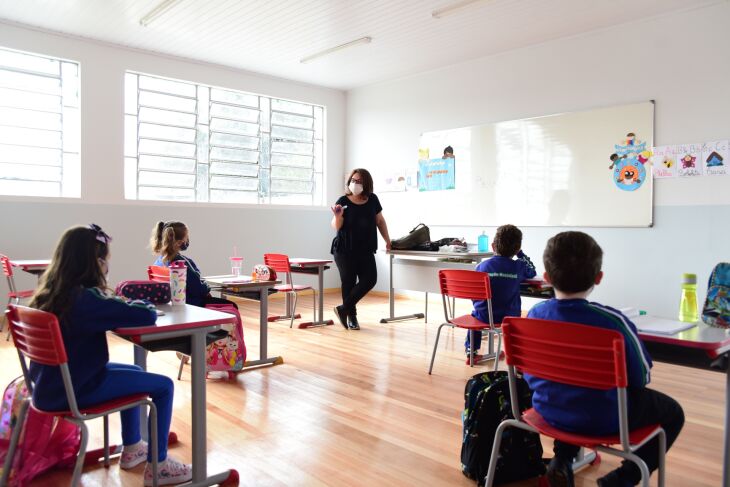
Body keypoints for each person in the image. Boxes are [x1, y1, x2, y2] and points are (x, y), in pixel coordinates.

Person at [28, 224, 192, 486]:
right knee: (164, 386)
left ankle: (133, 448)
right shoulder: (86, 300)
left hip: (48, 386)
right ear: (95, 262)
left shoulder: (48, 295)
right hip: (75, 390)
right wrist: (128, 299)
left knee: (138, 373)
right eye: (105, 260)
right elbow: (145, 314)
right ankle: (159, 465)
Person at [526, 231, 684, 487]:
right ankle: (622, 479)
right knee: (674, 413)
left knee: (569, 386)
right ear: (599, 278)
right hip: (603, 418)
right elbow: (640, 378)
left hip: (549, 410)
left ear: (546, 278)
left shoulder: (533, 316)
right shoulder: (613, 322)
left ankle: (561, 460)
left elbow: (527, 371)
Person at [330, 168, 391, 330]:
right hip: (344, 249)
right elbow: (336, 226)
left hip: (365, 248)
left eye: (359, 181)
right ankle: (352, 317)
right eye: (353, 180)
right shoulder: (342, 200)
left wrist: (388, 240)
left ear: (366, 184)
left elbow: (380, 221)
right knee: (348, 282)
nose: (355, 184)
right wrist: (337, 216)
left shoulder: (372, 199)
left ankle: (343, 309)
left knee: (370, 279)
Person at [466, 224, 536, 358]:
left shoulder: (481, 266)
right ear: (516, 250)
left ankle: (471, 352)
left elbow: (475, 294)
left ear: (493, 246)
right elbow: (532, 270)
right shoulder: (518, 266)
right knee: (517, 322)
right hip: (510, 317)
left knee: (475, 314)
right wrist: (520, 254)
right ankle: (516, 354)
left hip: (484, 315)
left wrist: (479, 306)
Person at [150, 221, 237, 309]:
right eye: (186, 237)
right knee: (233, 306)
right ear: (179, 242)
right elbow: (199, 289)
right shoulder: (181, 263)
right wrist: (206, 287)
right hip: (191, 304)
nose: (187, 240)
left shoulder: (159, 261)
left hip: (170, 303)